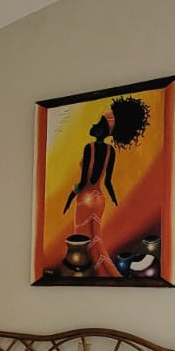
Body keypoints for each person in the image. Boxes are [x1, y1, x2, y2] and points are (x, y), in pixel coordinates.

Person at [60, 97, 150, 277]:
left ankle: (96, 275)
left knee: (85, 245)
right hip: (100, 199)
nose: (94, 125)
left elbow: (84, 182)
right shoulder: (111, 151)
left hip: (85, 199)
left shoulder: (89, 147)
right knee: (96, 242)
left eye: (99, 122)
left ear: (102, 130)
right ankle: (109, 275)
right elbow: (107, 182)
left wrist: (70, 197)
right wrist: (114, 200)